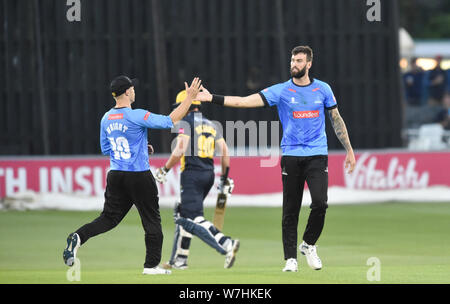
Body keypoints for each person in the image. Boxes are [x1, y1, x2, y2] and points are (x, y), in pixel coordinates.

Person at [196, 45, 356, 272]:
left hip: (317, 154)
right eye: (292, 60)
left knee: (320, 203)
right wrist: (212, 97)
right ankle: (290, 258)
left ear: (309, 64)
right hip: (291, 155)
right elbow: (244, 101)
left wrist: (349, 149)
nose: (294, 64)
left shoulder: (323, 89)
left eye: (299, 61)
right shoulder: (281, 91)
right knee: (290, 208)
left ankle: (309, 245)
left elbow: (336, 119)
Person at [62, 76, 202, 275]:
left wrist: (140, 147)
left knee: (108, 218)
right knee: (152, 220)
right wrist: (189, 98)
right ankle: (151, 266)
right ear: (127, 92)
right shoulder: (137, 115)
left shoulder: (106, 118)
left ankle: (78, 236)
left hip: (116, 175)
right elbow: (169, 121)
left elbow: (106, 148)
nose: (135, 90)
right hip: (138, 175)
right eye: (133, 88)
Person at [154, 89, 239, 270]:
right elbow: (224, 152)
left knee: (192, 217)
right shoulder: (212, 124)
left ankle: (226, 243)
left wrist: (165, 169)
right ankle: (180, 259)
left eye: (181, 106)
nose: (179, 110)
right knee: (182, 213)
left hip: (192, 174)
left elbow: (180, 149)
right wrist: (225, 177)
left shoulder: (185, 122)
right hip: (208, 173)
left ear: (187, 105)